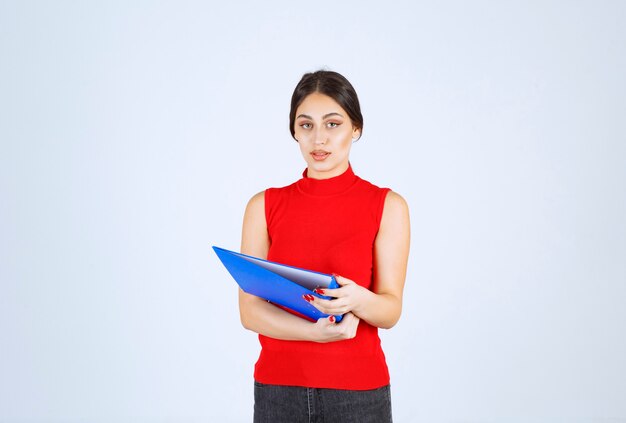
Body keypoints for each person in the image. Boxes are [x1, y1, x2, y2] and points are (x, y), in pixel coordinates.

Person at [239, 70, 410, 423]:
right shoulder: (263, 206)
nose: (319, 139)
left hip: (358, 394)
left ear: (356, 129)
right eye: (306, 125)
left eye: (333, 124)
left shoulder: (387, 205)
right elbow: (250, 312)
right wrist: (313, 334)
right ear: (294, 132)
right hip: (278, 391)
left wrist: (359, 300)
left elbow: (390, 310)